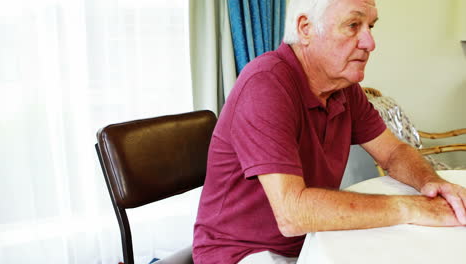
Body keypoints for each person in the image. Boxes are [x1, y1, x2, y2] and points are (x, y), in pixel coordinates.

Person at [192, 0, 466, 263]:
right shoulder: (265, 84)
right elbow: (293, 213)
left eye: (370, 26)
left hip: (312, 238)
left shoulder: (344, 89)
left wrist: (430, 183)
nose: (370, 42)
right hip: (241, 253)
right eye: (353, 25)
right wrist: (412, 207)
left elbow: (393, 152)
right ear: (305, 28)